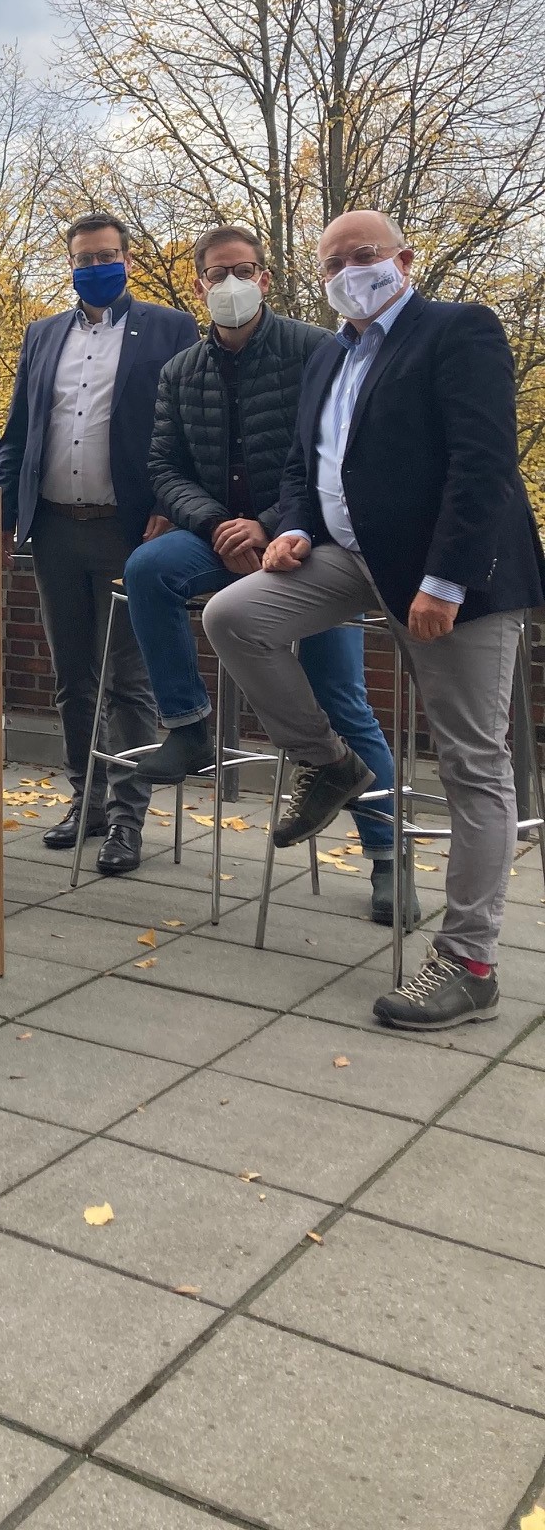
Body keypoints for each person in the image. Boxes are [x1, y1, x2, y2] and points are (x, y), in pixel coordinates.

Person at [203, 210, 545, 1029]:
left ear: (404, 259)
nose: (348, 272)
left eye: (363, 256)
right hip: (352, 559)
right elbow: (305, 464)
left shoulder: (457, 331)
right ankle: (330, 764)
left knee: (471, 763)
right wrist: (293, 527)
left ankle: (470, 962)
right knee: (235, 616)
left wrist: (446, 581)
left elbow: (483, 464)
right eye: (333, 262)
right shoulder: (331, 354)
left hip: (452, 576)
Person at [122, 226, 400, 915]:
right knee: (149, 568)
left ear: (266, 278)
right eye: (218, 274)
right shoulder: (181, 371)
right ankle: (188, 725)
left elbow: (335, 457)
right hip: (216, 538)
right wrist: (218, 525)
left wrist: (272, 525)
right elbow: (164, 467)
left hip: (308, 548)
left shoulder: (317, 350)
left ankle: (388, 856)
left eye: (243, 270)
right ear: (199, 286)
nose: (231, 284)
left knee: (342, 698)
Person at [0, 214, 198, 875]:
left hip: (130, 530)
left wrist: (171, 507)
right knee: (72, 679)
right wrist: (4, 513)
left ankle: (126, 818)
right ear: (70, 264)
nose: (95, 266)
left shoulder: (170, 329)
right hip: (54, 529)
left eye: (107, 255)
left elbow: (188, 431)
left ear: (128, 260)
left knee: (130, 682)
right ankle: (86, 800)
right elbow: (19, 433)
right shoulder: (43, 334)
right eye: (84, 258)